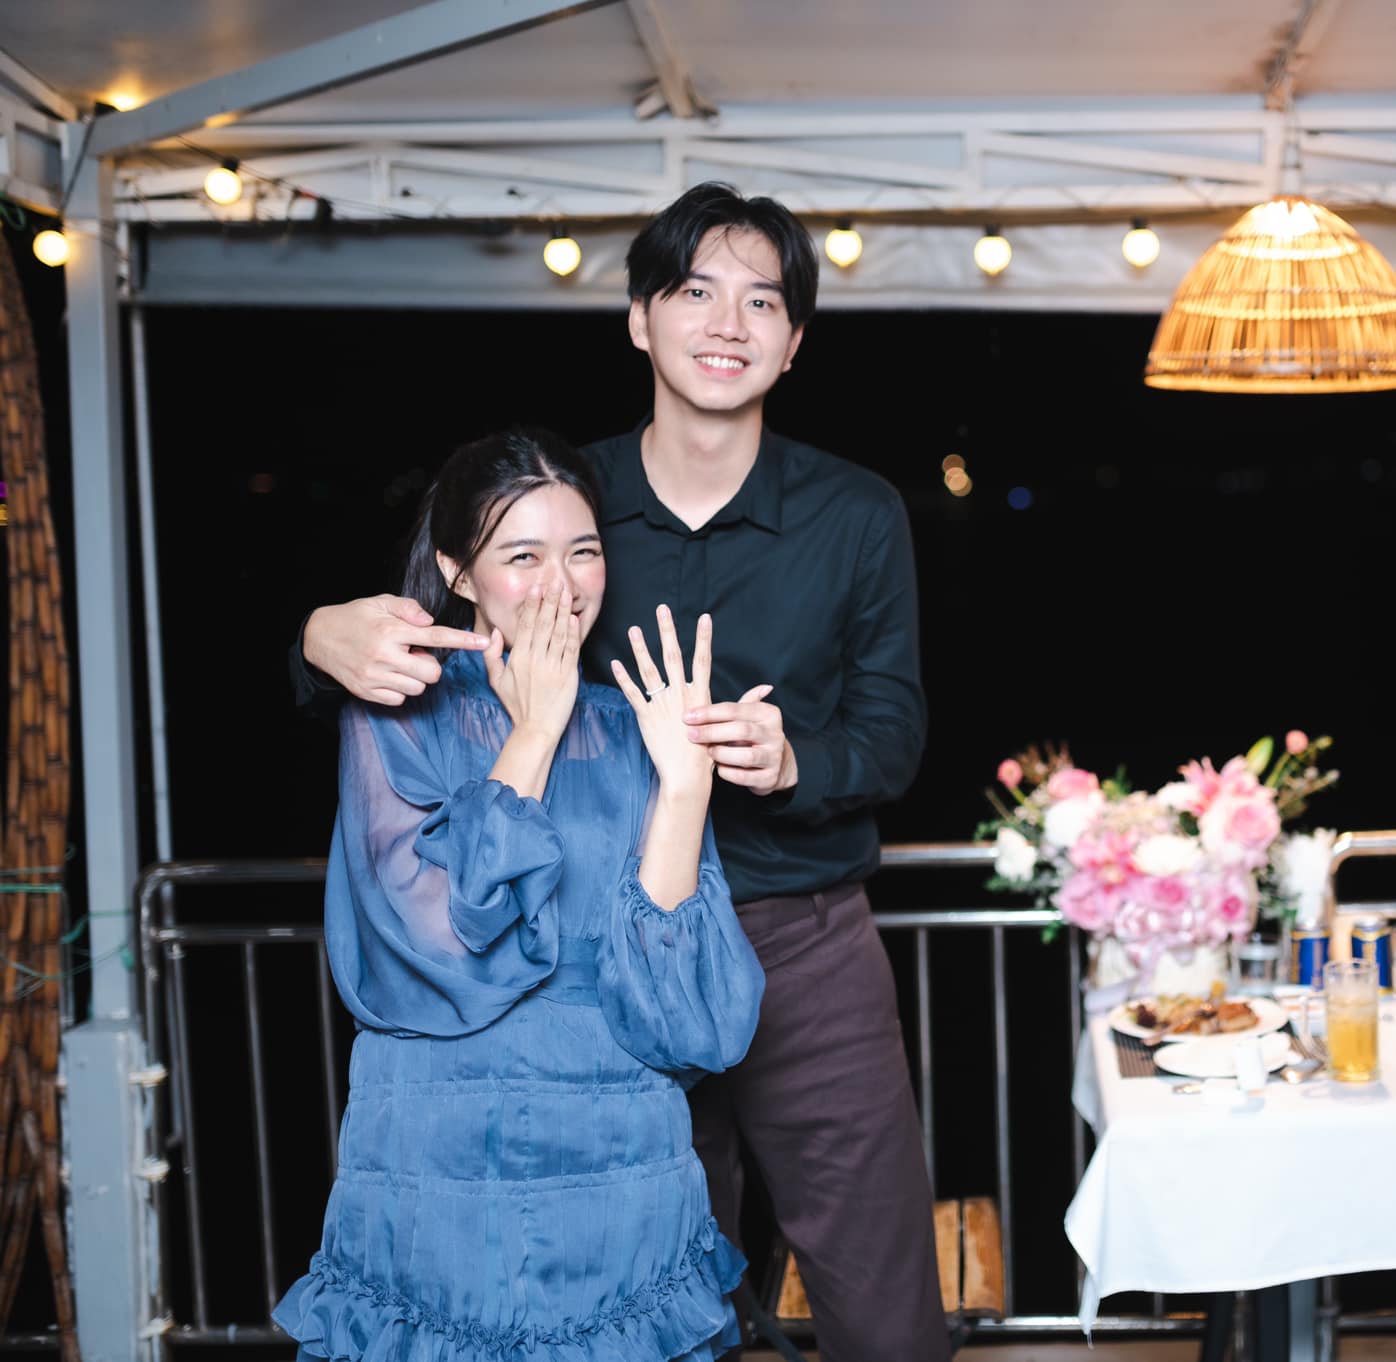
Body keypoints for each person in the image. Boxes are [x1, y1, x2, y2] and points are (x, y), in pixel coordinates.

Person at [287, 184, 946, 1360]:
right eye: (694, 292)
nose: (727, 324)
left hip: (798, 937)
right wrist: (313, 635)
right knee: (657, 1293)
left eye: (762, 302)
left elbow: (892, 734)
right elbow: (413, 659)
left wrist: (792, 759)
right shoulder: (563, 505)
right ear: (640, 318)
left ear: (795, 340)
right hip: (580, 954)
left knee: (880, 1294)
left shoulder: (855, 512)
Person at [273, 427, 766, 1361]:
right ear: (457, 572)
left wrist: (685, 786)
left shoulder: (636, 726)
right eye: (523, 555)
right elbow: (442, 948)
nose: (561, 584)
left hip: (622, 1165)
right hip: (437, 1163)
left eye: (583, 552)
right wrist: (534, 731)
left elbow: (685, 1023)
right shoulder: (395, 714)